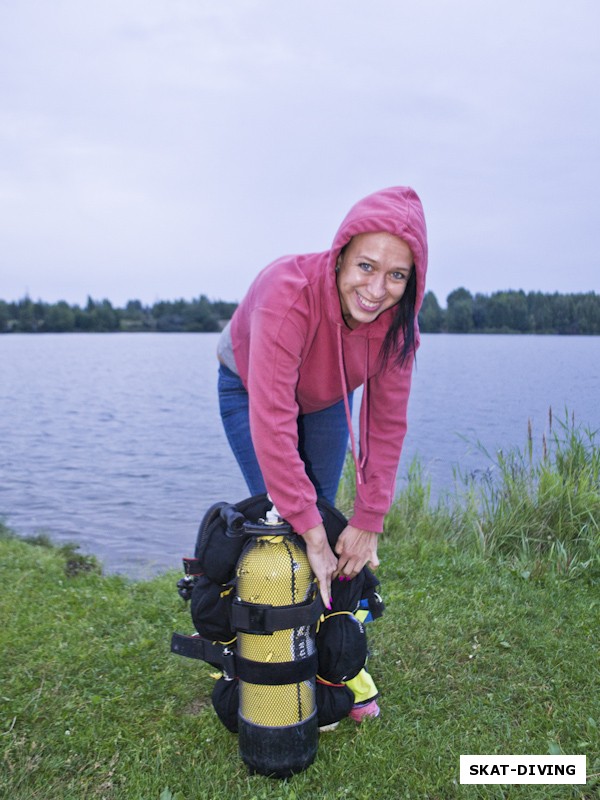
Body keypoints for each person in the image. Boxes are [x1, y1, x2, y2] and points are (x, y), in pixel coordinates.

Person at [216, 186, 428, 612]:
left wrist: (369, 519)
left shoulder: (399, 329)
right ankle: (259, 636)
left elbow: (385, 427)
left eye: (396, 275)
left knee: (322, 512)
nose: (376, 289)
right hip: (249, 390)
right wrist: (311, 528)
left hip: (327, 397)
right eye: (366, 266)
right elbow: (274, 418)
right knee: (291, 523)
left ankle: (319, 630)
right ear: (340, 255)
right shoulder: (287, 292)